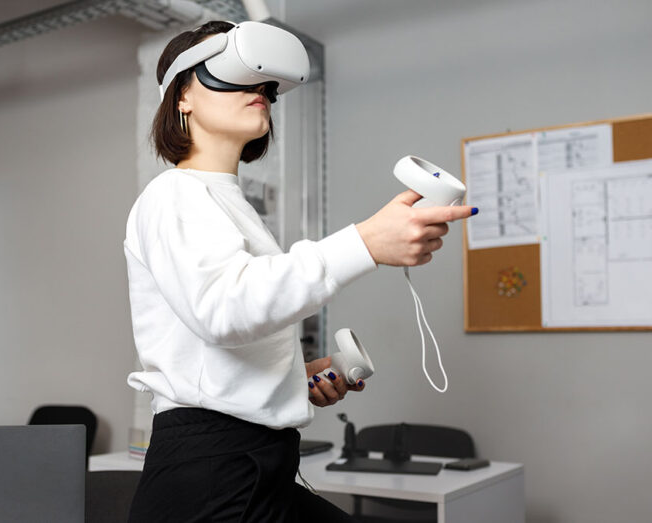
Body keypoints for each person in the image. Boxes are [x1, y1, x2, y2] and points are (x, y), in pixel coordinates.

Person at [123, 20, 476, 523]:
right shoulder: (175, 194)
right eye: (233, 75)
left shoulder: (228, 205)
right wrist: (367, 241)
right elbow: (221, 309)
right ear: (182, 97)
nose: (259, 91)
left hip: (258, 464)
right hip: (212, 474)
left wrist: (292, 378)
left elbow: (224, 339)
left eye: (265, 84)